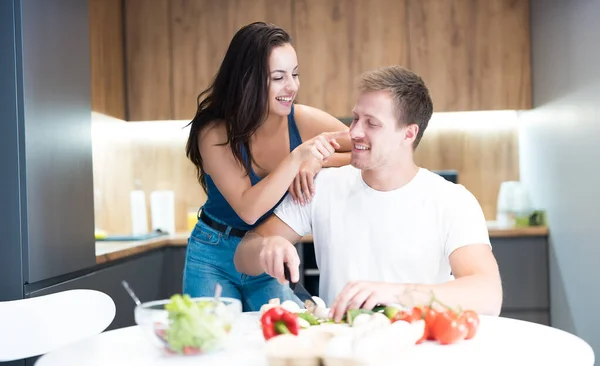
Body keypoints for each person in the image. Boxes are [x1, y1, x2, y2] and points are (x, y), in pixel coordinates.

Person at [233, 65, 503, 321]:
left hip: (421, 347)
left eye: (372, 123)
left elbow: (488, 294)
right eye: (356, 119)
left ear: (408, 134)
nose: (354, 132)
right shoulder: (322, 186)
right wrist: (267, 246)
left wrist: (397, 293)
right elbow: (243, 257)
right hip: (341, 349)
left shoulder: (452, 201)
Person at [182, 21, 352, 312]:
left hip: (269, 252)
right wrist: (298, 157)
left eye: (295, 74)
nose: (292, 86)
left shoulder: (301, 120)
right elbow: (249, 209)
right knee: (214, 345)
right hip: (213, 256)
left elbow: (365, 150)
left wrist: (316, 162)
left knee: (284, 339)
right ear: (248, 79)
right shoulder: (214, 132)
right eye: (278, 77)